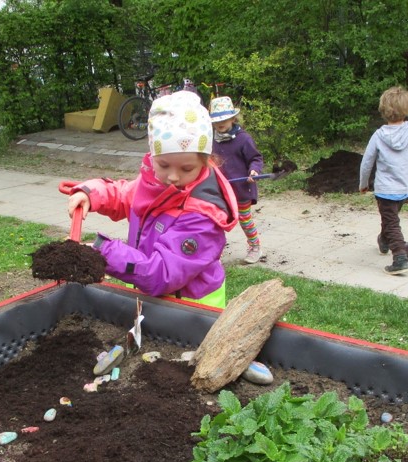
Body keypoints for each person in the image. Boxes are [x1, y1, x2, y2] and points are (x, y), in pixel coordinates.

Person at [66, 90, 238, 307]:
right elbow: (125, 195)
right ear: (152, 157)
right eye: (164, 165)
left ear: (205, 161)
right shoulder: (155, 182)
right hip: (150, 298)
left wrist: (102, 251)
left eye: (187, 168)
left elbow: (163, 274)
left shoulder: (203, 216)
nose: (173, 177)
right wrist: (91, 193)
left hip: (190, 311)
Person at [359, 86, 408, 274]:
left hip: (385, 189)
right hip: (404, 187)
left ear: (383, 110)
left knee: (391, 222)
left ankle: (400, 257)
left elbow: (366, 162)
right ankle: (384, 240)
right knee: (390, 219)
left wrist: (363, 184)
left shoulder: (379, 135)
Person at [209, 96, 265, 264]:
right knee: (216, 221)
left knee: (245, 219)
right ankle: (213, 253)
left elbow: (256, 158)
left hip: (241, 188)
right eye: (217, 120)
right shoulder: (211, 140)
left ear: (233, 118)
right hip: (219, 191)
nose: (221, 123)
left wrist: (254, 171)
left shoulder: (243, 139)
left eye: (225, 119)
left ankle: (255, 247)